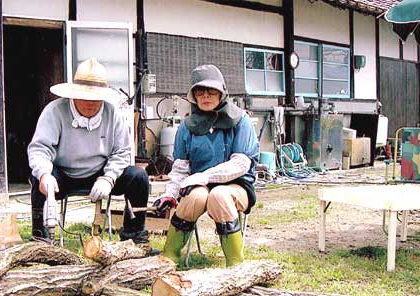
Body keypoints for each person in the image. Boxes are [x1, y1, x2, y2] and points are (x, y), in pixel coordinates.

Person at [28, 58, 153, 246]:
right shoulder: (54, 111)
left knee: (139, 176)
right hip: (63, 174)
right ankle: (41, 237)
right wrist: (45, 174)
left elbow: (122, 151)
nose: (90, 103)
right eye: (85, 97)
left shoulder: (113, 115)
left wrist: (109, 178)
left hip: (100, 173)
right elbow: (40, 148)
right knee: (39, 178)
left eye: (95, 98)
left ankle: (134, 237)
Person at [153, 64, 259, 267]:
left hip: (237, 186)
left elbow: (240, 164)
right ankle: (169, 257)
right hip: (199, 185)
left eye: (212, 91)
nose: (206, 96)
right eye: (200, 91)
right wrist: (170, 194)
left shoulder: (240, 120)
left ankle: (236, 265)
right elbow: (180, 169)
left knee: (219, 195)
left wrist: (204, 176)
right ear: (193, 96)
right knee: (195, 197)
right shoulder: (186, 126)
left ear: (222, 93)